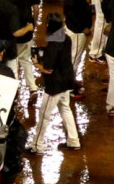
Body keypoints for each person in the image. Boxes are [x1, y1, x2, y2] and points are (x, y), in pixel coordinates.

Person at [28, 14, 81, 155]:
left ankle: (36, 146)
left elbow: (48, 69)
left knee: (44, 115)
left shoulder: (54, 43)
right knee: (65, 109)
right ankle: (74, 141)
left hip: (55, 85)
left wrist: (36, 64)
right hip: (67, 81)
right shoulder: (66, 37)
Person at [62, 0, 94, 87]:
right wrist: (82, 28)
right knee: (74, 58)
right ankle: (68, 86)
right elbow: (68, 11)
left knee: (76, 56)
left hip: (82, 25)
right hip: (76, 30)